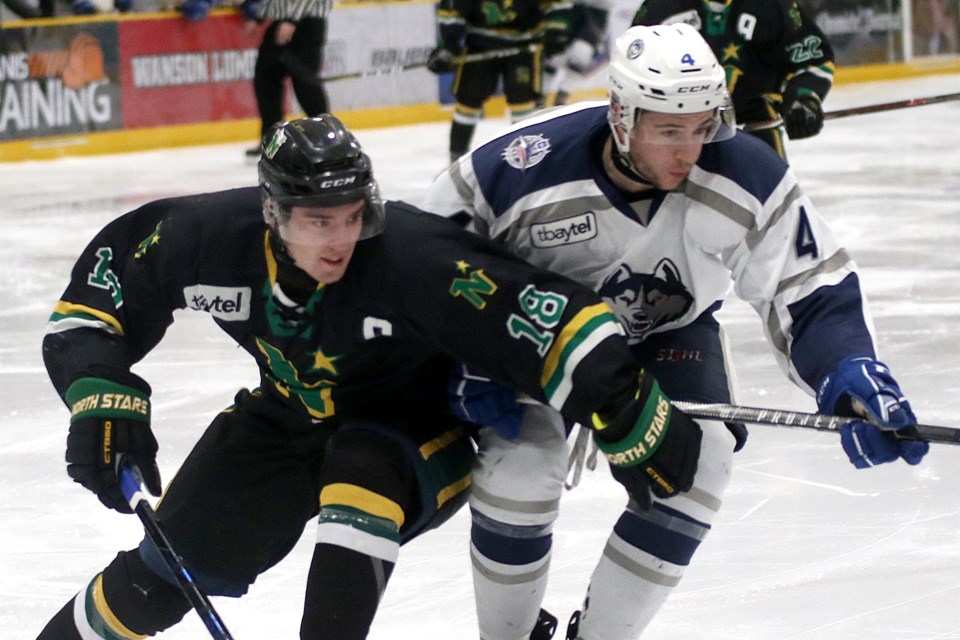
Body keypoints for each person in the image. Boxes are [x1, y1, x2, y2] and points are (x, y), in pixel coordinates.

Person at [36, 114, 706, 640]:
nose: (338, 239)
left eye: (351, 216)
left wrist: (624, 402)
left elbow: (543, 313)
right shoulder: (210, 237)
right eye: (317, 220)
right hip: (285, 419)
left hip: (414, 431)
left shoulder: (409, 257)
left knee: (361, 472)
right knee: (155, 581)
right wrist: (101, 395)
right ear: (272, 212)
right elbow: (102, 290)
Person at [421, 24, 928, 639]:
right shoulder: (517, 166)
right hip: (539, 340)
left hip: (669, 331)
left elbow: (808, 286)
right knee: (519, 471)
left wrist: (846, 366)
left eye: (702, 126)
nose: (689, 151)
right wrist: (459, 357)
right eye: (668, 131)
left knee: (703, 462)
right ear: (620, 116)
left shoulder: (743, 172)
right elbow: (424, 262)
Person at [632, 0, 835, 161]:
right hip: (678, 137)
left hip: (755, 138)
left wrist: (804, 98)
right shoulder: (661, 7)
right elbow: (632, 70)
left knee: (770, 210)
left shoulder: (771, 5)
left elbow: (812, 60)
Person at [179, 0, 332, 160]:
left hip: (305, 23)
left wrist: (291, 20)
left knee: (305, 85)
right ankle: (273, 141)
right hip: (281, 22)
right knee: (265, 80)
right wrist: (258, 17)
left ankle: (327, 136)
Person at [425, 0, 572, 164]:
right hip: (480, 44)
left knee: (522, 101)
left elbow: (557, 5)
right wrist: (449, 44)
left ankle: (528, 162)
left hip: (525, 45)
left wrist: (556, 31)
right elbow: (452, 8)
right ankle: (456, 161)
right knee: (468, 100)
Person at [540, 0, 613, 107]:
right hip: (565, 7)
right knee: (554, 54)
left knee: (582, 53)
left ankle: (563, 95)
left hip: (597, 10)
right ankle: (541, 96)